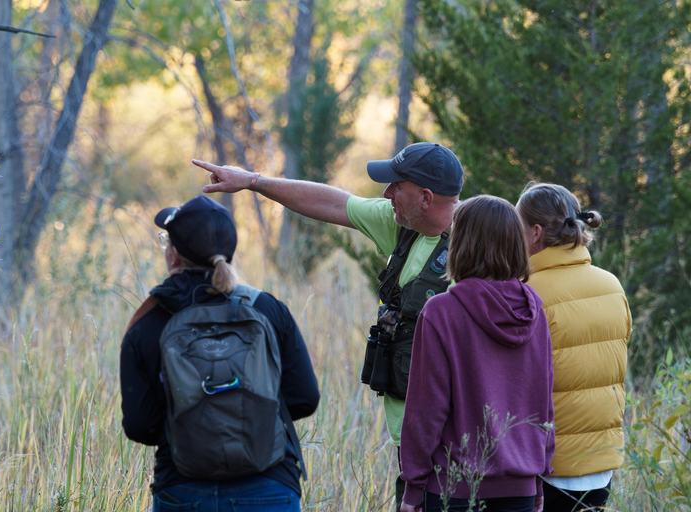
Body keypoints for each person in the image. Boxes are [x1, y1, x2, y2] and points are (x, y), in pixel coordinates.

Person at [193, 142, 465, 510]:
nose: (387, 194)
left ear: (426, 198)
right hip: (411, 435)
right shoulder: (403, 223)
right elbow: (334, 203)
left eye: (396, 186)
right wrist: (252, 181)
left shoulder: (475, 245)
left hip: (455, 435)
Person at [119, 195, 320, 512]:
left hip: (182, 489)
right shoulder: (268, 309)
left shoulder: (149, 322)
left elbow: (139, 426)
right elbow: (305, 398)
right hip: (268, 486)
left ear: (173, 255)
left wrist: (192, 423)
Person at [400, 195, 555, 512]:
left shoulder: (441, 311)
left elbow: (425, 410)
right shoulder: (534, 309)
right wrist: (539, 479)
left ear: (460, 243)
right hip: (522, 486)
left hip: (454, 489)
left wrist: (412, 489)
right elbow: (543, 404)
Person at [516, 183, 631, 512]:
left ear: (536, 232)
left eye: (518, 229)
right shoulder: (611, 284)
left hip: (549, 468)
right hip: (601, 465)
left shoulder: (527, 293)